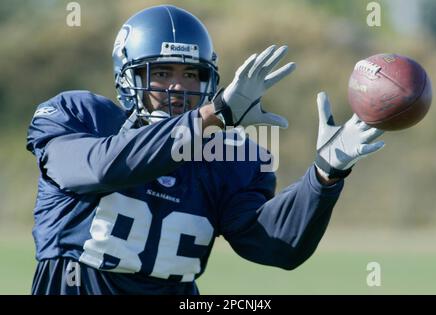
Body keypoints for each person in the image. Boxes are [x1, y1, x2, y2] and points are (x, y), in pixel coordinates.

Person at [26, 5, 384, 295]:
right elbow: (101, 168)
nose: (178, 87)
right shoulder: (81, 117)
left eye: (192, 74)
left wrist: (324, 175)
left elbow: (278, 247)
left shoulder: (230, 157)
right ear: (128, 76)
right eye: (162, 73)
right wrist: (211, 116)